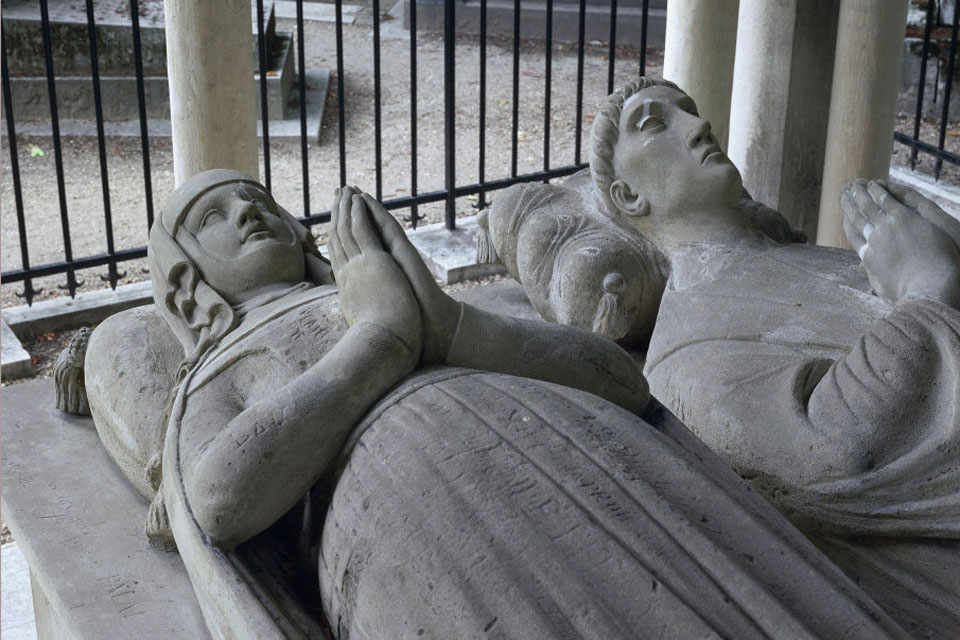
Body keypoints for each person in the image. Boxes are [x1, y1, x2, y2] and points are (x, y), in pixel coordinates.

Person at [79, 168, 909, 638]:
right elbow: (219, 498)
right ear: (186, 286)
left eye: (260, 200)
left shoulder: (394, 290)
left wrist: (447, 327)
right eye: (216, 217)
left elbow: (621, 382)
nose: (250, 211)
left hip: (590, 465)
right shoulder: (221, 369)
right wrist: (381, 338)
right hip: (419, 527)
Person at [487, 77, 960, 637]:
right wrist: (929, 288)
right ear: (629, 197)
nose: (699, 126)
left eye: (689, 111)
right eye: (656, 123)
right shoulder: (687, 353)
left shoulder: (803, 256)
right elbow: (839, 455)